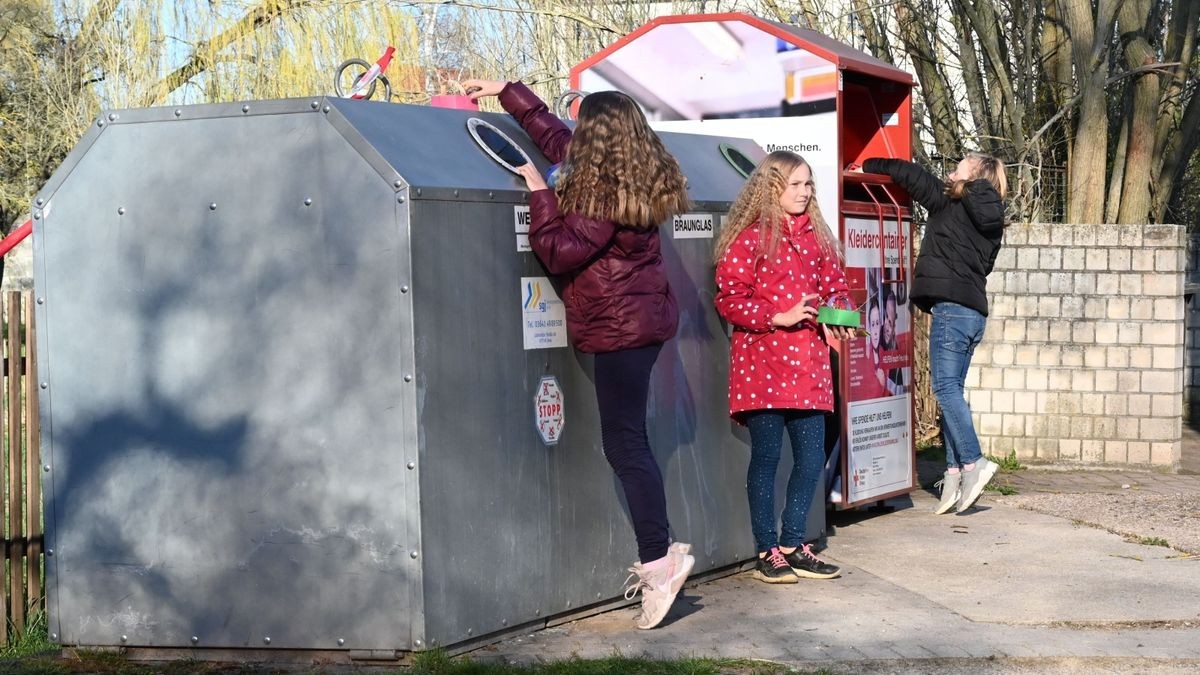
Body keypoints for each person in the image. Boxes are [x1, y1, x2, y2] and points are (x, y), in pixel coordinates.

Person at [463, 79, 694, 629]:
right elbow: (555, 139)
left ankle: (660, 562)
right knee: (631, 440)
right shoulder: (634, 173)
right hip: (643, 322)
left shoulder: (600, 193)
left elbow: (561, 250)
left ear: (595, 136)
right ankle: (663, 553)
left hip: (618, 327)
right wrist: (509, 93)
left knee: (625, 445)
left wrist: (537, 193)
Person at [713, 151, 856, 584]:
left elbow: (836, 289)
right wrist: (778, 316)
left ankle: (794, 542)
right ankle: (766, 550)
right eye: (795, 184)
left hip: (810, 366)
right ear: (771, 187)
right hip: (762, 366)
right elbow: (729, 297)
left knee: (812, 456)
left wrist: (841, 315)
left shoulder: (817, 238)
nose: (804, 192)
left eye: (808, 184)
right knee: (769, 457)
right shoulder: (749, 238)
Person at [856, 153, 1008, 514]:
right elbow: (983, 265)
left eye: (961, 166)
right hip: (973, 314)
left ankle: (973, 462)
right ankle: (954, 474)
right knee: (953, 390)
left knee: (943, 388)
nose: (952, 170)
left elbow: (912, 175)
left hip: (951, 310)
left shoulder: (948, 201)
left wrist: (867, 166)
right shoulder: (994, 220)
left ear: (974, 177)